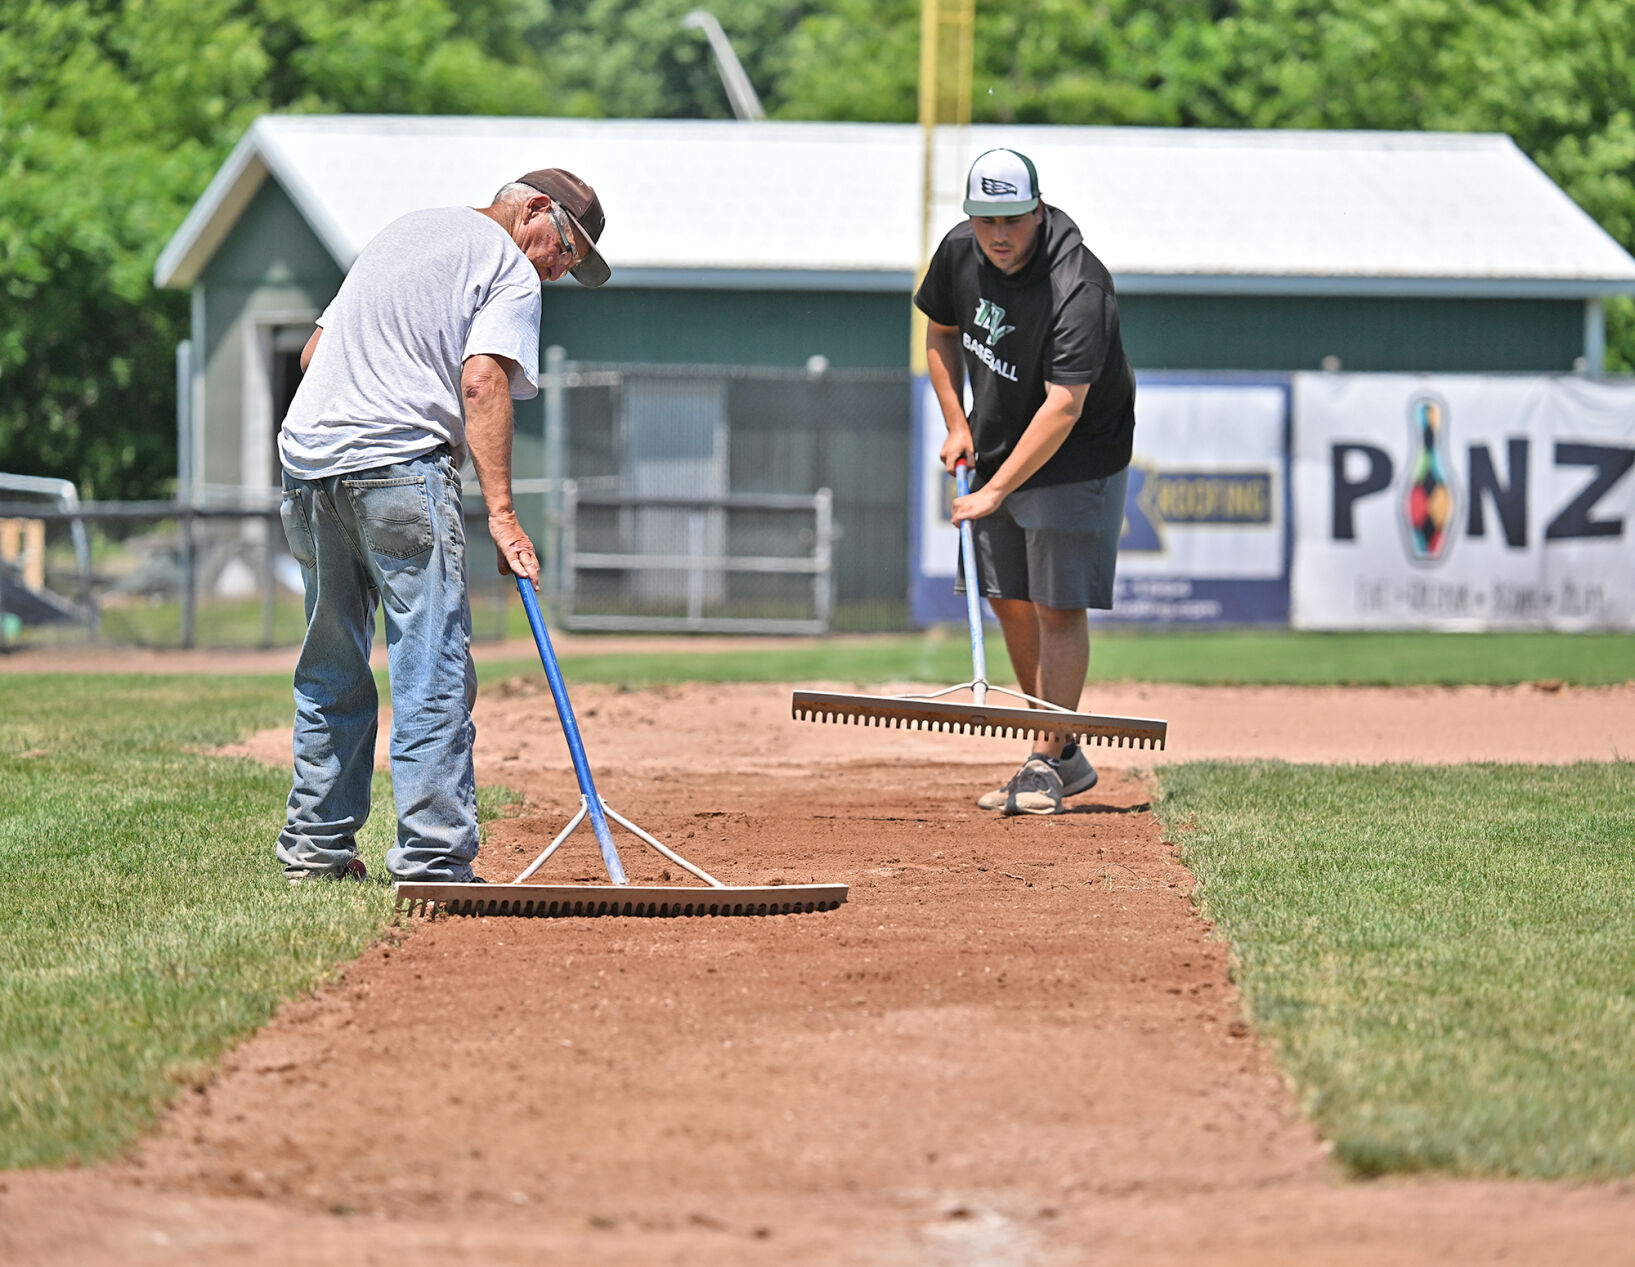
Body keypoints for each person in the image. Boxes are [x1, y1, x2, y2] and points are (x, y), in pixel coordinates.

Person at [274, 168, 610, 883]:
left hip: (308, 467)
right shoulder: (506, 265)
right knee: (432, 664)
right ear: (537, 211)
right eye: (566, 250)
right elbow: (482, 380)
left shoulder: (402, 234)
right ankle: (431, 857)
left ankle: (315, 851)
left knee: (331, 661)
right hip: (398, 468)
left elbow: (312, 357)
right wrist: (505, 517)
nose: (555, 269)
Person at [914, 148, 1136, 816]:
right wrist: (957, 423)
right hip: (995, 444)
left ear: (1037, 211)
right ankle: (1063, 756)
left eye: (1011, 218)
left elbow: (1063, 406)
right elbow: (940, 332)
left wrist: (994, 489)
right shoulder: (958, 252)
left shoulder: (1078, 286)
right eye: (984, 220)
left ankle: (1043, 758)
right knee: (1008, 597)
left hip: (1075, 456)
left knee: (1055, 605)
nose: (997, 234)